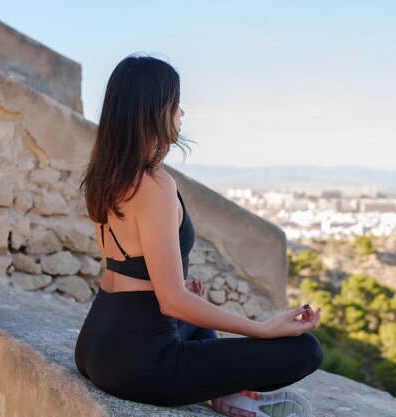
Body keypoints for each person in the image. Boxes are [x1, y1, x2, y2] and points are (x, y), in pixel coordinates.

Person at [74, 52, 324, 417]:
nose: (182, 114)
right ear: (155, 110)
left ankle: (229, 396)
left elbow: (129, 272)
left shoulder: (102, 178)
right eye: (176, 104)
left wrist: (180, 296)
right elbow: (171, 302)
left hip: (96, 343)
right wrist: (262, 329)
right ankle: (232, 394)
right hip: (139, 363)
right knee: (306, 351)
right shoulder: (155, 185)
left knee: (195, 317)